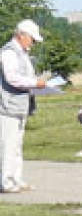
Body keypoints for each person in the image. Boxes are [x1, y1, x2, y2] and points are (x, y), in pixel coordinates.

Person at [1, 20, 47, 193]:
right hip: (8, 106)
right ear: (21, 35)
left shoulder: (22, 53)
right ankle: (6, 181)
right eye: (32, 39)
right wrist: (35, 83)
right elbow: (12, 77)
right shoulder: (9, 53)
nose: (33, 43)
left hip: (20, 105)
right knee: (8, 145)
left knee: (17, 145)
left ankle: (16, 178)